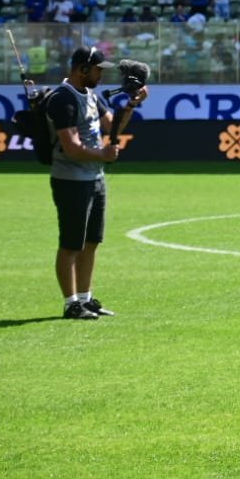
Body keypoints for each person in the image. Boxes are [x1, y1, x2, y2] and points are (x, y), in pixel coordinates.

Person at [47, 46, 147, 321]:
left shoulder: (90, 95)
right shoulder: (62, 99)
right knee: (70, 244)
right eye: (98, 69)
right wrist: (102, 154)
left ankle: (85, 298)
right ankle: (70, 304)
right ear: (82, 69)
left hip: (94, 177)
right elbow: (70, 147)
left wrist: (132, 104)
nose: (102, 75)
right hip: (71, 180)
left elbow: (112, 126)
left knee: (91, 241)